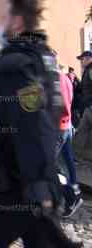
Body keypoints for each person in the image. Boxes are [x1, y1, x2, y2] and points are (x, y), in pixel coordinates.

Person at [0, 0, 82, 247]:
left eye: (5, 17)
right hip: (29, 185)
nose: (1, 24)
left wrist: (38, 182)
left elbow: (32, 122)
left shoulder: (17, 65)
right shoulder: (42, 59)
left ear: (17, 21)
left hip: (13, 187)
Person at [57, 72, 83, 218]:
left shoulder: (50, 77)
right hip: (66, 125)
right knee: (68, 160)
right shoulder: (64, 77)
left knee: (46, 165)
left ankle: (72, 196)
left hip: (57, 127)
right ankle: (74, 189)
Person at [73, 51, 92, 162]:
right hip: (88, 107)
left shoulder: (90, 70)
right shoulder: (87, 71)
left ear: (89, 58)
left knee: (82, 132)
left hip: (90, 107)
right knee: (82, 132)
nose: (81, 61)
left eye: (82, 59)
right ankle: (79, 157)